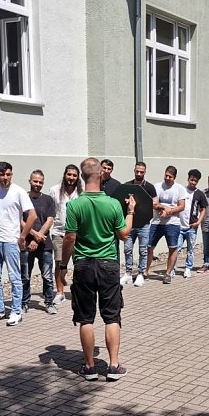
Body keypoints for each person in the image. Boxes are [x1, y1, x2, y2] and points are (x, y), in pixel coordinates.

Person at [59, 157, 136, 381]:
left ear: (82, 178)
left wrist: (63, 266)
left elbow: (69, 239)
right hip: (108, 264)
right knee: (111, 316)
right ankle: (113, 366)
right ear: (101, 175)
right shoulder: (112, 204)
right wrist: (130, 211)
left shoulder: (74, 205)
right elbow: (123, 235)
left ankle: (90, 367)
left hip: (83, 265)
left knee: (86, 318)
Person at [0, 161, 36, 327]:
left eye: (8, 174)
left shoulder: (18, 192)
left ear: (12, 174)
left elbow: (32, 215)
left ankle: (16, 311)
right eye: (2, 174)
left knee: (14, 277)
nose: (5, 178)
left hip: (11, 241)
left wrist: (23, 236)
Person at [21, 170, 57, 314]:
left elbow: (50, 220)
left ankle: (49, 302)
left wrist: (38, 237)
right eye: (35, 181)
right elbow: (20, 220)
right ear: (29, 181)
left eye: (40, 182)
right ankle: (24, 303)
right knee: (25, 276)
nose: (38, 184)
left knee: (47, 276)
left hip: (44, 245)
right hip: (25, 244)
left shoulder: (48, 199)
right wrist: (34, 234)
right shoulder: (23, 197)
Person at [144, 165, 186, 284]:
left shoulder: (179, 189)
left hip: (173, 223)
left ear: (174, 177)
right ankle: (145, 272)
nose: (167, 178)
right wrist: (163, 208)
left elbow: (182, 206)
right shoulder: (157, 187)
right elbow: (154, 203)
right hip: (157, 222)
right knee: (149, 247)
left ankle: (167, 274)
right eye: (166, 175)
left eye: (170, 176)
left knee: (172, 248)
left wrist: (170, 212)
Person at [49, 164, 83, 305]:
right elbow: (51, 212)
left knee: (79, 264)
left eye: (74, 175)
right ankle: (60, 292)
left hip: (77, 234)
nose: (71, 178)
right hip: (59, 232)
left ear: (78, 177)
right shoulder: (54, 191)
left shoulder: (82, 193)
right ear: (64, 175)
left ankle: (78, 292)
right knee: (58, 262)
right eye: (69, 174)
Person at [121, 161, 157, 287]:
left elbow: (155, 203)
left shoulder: (150, 187)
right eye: (137, 171)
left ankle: (141, 273)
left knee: (143, 250)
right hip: (130, 223)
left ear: (145, 172)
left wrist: (141, 201)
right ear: (134, 170)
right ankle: (128, 273)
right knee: (127, 249)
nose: (139, 173)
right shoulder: (127, 185)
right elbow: (120, 200)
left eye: (141, 172)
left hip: (144, 224)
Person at [176, 169, 208, 278]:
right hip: (179, 226)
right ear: (188, 178)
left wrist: (198, 222)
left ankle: (188, 268)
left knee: (190, 249)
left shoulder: (199, 194)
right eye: (191, 180)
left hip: (191, 227)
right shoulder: (181, 190)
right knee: (177, 248)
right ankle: (172, 269)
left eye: (195, 181)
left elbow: (203, 209)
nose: (193, 182)